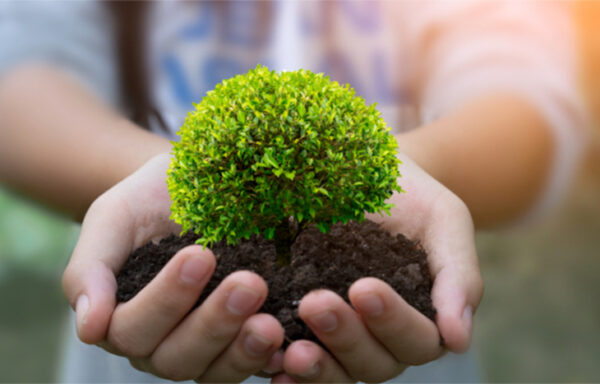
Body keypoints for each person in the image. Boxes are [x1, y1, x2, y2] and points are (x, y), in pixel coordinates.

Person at [0, 1, 585, 383]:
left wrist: (391, 168)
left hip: (400, 355)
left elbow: (524, 95)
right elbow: (19, 80)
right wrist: (178, 175)